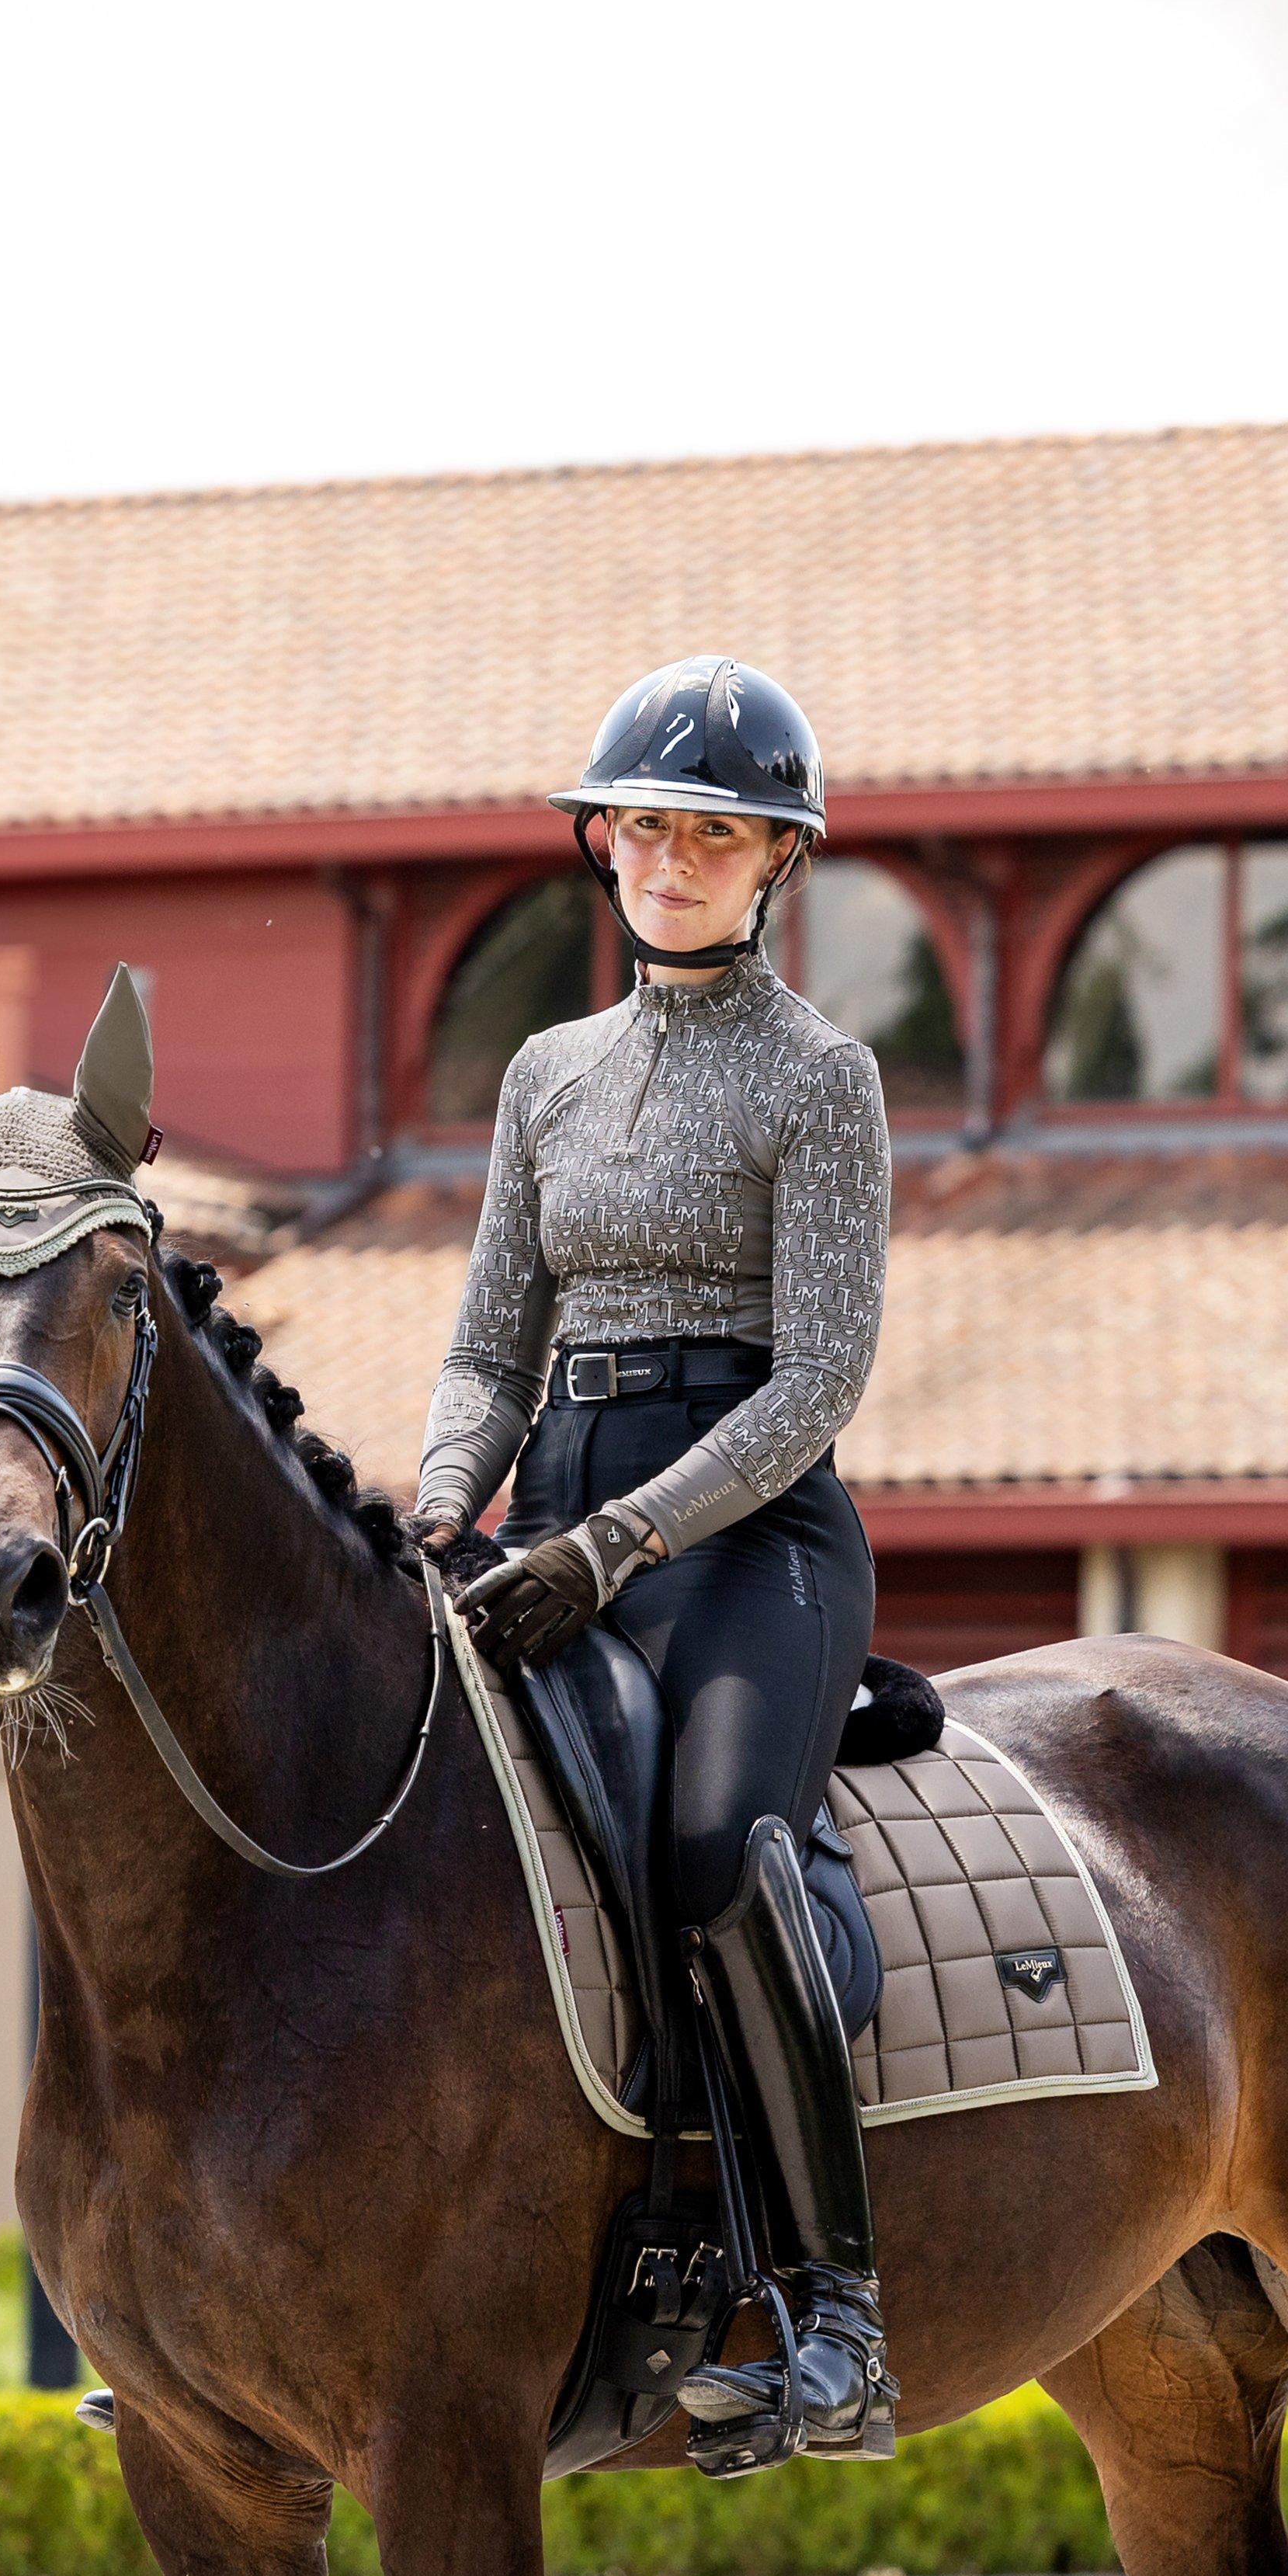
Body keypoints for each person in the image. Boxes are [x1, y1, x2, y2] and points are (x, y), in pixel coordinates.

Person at [425, 653, 897, 2462]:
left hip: (749, 1534)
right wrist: (427, 1514)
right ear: (598, 842)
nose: (672, 859)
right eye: (644, 825)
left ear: (772, 861)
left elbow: (818, 1377)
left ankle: (830, 2310)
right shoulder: (545, 1074)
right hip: (552, 1493)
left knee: (712, 1848)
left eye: (715, 833)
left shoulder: (820, 1076)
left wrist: (619, 1540)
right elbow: (487, 1346)